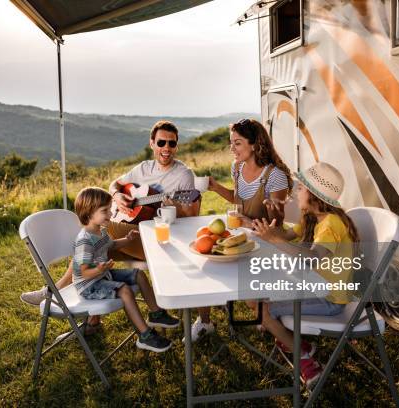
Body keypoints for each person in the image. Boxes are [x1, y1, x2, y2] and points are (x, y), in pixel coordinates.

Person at [21, 121, 199, 332]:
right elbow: (115, 184)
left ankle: (53, 291)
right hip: (133, 234)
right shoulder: (143, 168)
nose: (167, 148)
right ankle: (92, 320)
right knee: (99, 243)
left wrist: (176, 205)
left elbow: (192, 216)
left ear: (177, 146)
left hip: (161, 241)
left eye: (172, 143)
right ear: (152, 143)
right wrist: (117, 195)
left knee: (98, 232)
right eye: (162, 142)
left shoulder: (183, 175)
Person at [248, 162, 359, 388]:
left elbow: (311, 257)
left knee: (262, 309)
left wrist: (274, 239)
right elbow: (286, 235)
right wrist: (261, 227)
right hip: (311, 288)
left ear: (315, 195)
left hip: (329, 299)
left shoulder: (330, 225)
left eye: (301, 188)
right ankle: (300, 345)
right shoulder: (312, 219)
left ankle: (304, 360)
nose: (296, 191)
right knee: (254, 298)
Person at [188, 118, 293, 342]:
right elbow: (237, 199)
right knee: (207, 263)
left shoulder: (274, 176)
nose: (232, 149)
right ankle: (258, 314)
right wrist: (215, 187)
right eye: (230, 143)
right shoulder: (237, 168)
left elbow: (276, 224)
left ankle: (269, 315)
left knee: (237, 284)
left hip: (268, 245)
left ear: (255, 145)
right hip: (242, 238)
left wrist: (265, 214)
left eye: (237, 143)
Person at [72, 187, 179, 352]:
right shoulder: (84, 240)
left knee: (139, 274)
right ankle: (145, 335)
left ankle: (156, 314)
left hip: (102, 275)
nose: (110, 214)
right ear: (89, 213)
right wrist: (99, 269)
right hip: (89, 285)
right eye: (105, 211)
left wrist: (127, 239)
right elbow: (84, 272)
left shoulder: (100, 231)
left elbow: (112, 245)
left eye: (109, 209)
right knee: (125, 290)